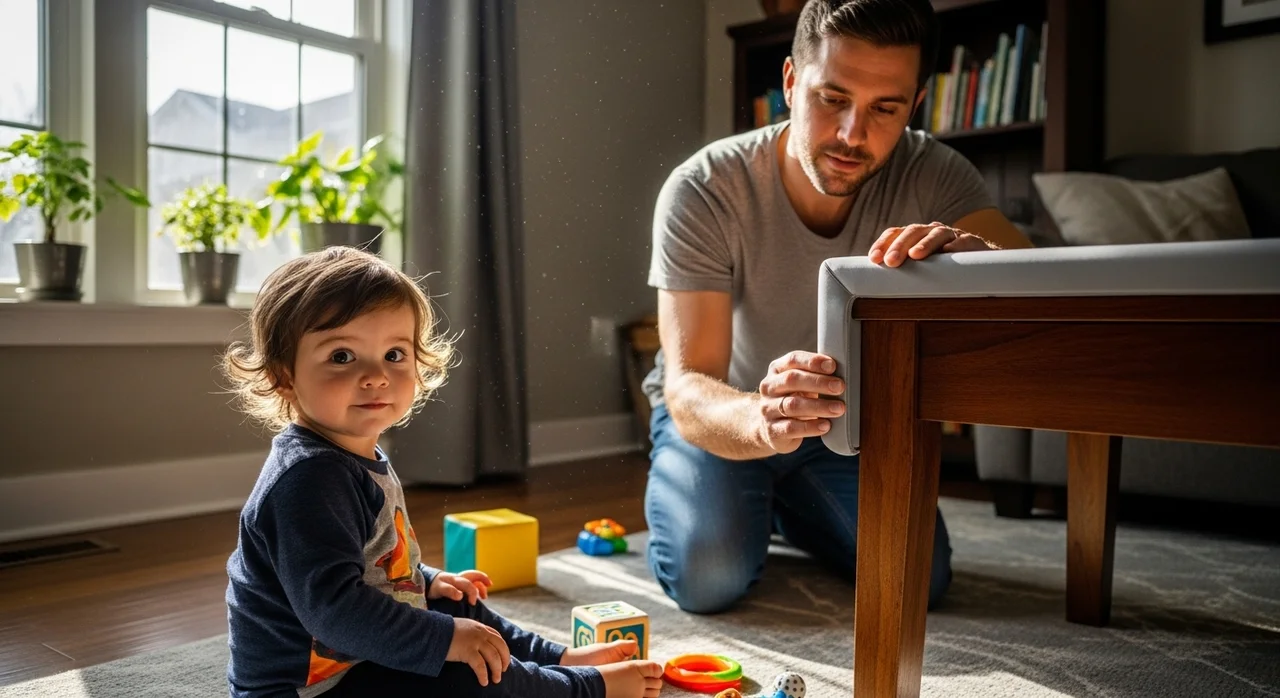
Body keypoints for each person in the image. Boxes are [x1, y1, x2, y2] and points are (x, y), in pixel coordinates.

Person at [642, 0, 1032, 615]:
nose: (853, 134)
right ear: (790, 82)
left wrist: (976, 257)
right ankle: (752, 503)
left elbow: (1030, 276)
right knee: (709, 578)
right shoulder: (705, 188)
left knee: (918, 577)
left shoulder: (935, 173)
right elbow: (689, 387)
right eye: (832, 98)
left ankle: (779, 509)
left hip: (840, 427)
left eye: (885, 109)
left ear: (915, 105)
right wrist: (765, 420)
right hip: (729, 415)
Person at [222, 247, 664, 697]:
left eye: (394, 354)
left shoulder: (353, 455)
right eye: (342, 356)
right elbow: (334, 611)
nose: (376, 375)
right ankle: (579, 689)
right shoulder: (308, 480)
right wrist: (446, 638)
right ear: (284, 376)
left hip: (356, 656)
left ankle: (556, 658)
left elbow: (372, 560)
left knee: (458, 604)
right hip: (311, 687)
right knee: (463, 670)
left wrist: (426, 580)